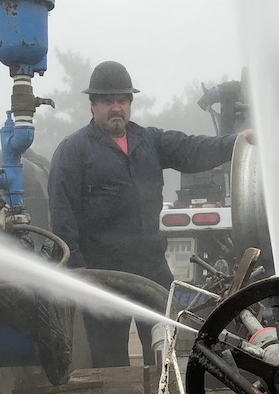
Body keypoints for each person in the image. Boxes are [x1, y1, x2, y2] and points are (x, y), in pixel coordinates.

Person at [48, 60, 253, 367]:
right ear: (93, 105)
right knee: (109, 360)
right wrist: (76, 267)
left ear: (130, 103)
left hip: (151, 269)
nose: (116, 107)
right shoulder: (73, 151)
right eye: (107, 101)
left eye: (122, 100)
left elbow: (191, 149)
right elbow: (62, 213)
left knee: (166, 351)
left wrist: (236, 142)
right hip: (103, 274)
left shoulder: (150, 141)